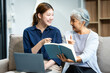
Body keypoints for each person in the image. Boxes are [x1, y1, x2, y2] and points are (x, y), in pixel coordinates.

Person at [57, 8, 102, 73]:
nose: (70, 23)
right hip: (72, 68)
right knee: (74, 68)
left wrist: (72, 60)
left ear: (83, 22)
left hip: (88, 68)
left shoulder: (93, 36)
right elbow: (64, 53)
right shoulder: (67, 34)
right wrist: (69, 46)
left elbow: (87, 55)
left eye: (73, 20)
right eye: (70, 20)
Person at [23, 2, 62, 72]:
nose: (51, 18)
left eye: (52, 15)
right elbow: (28, 55)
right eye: (48, 15)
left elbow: (58, 56)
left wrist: (44, 66)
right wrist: (41, 43)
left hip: (51, 65)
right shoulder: (27, 32)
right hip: (33, 64)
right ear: (39, 16)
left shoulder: (56, 32)